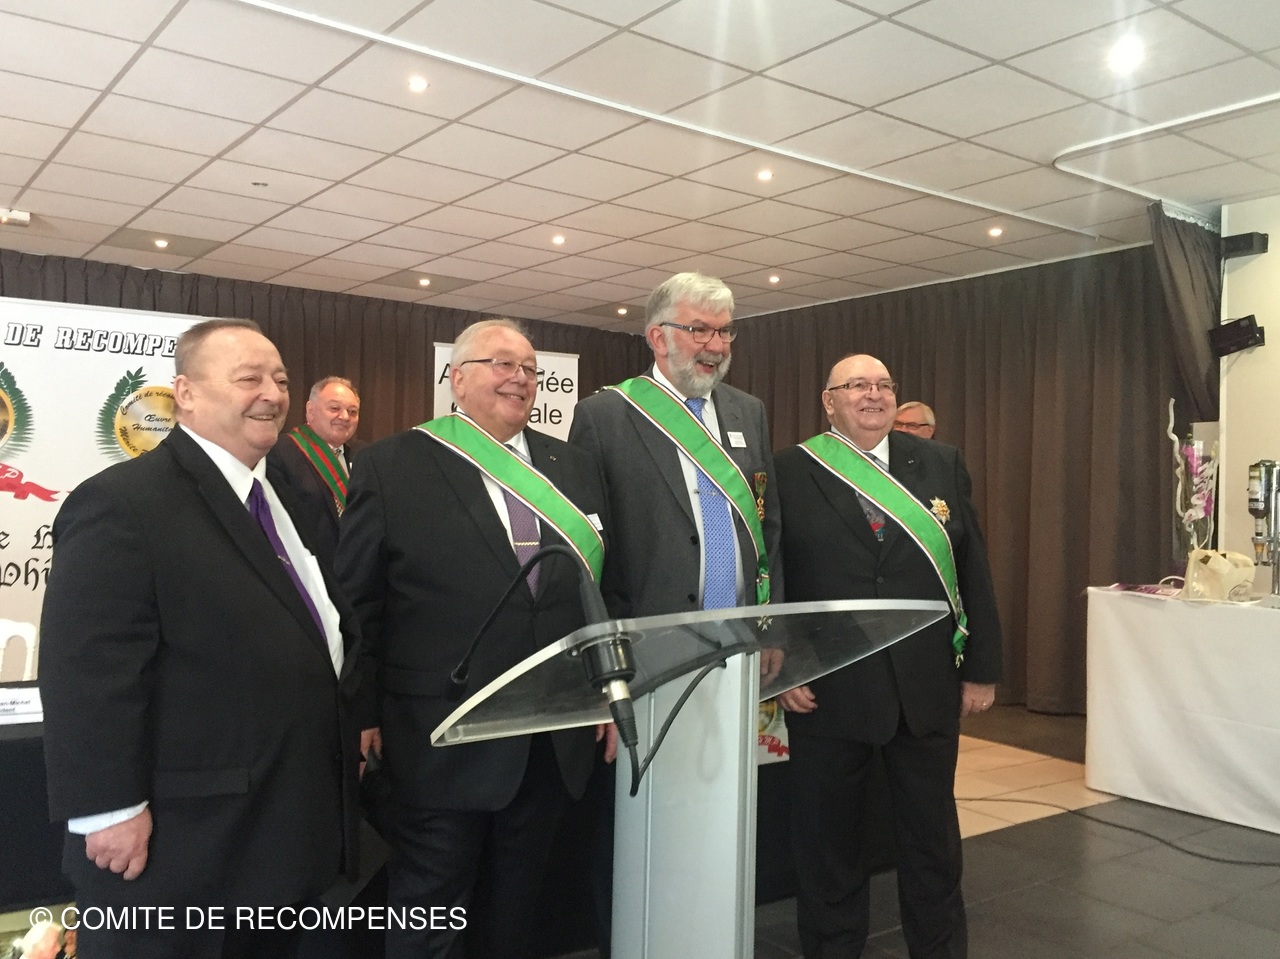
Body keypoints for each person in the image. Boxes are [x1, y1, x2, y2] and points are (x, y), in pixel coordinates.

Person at [40, 319, 363, 959]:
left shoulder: (282, 497)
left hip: (281, 834)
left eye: (280, 379)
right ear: (184, 394)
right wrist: (108, 810)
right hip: (183, 850)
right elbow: (87, 670)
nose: (271, 393)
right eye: (248, 378)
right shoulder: (123, 502)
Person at [337, 318, 610, 959]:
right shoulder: (393, 464)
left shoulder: (573, 467)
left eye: (530, 369)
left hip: (548, 738)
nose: (520, 379)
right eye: (502, 364)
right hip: (437, 734)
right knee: (430, 910)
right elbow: (357, 603)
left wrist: (601, 688)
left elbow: (601, 593)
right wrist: (360, 711)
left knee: (515, 912)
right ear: (457, 379)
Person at [568, 271, 783, 952]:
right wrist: (608, 667)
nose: (715, 346)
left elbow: (767, 525)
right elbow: (589, 550)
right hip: (648, 657)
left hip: (734, 651)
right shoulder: (605, 415)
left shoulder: (747, 412)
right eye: (699, 330)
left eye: (724, 332)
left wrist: (770, 622)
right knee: (644, 813)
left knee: (718, 805)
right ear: (657, 337)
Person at [775, 353, 1002, 959]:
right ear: (829, 402)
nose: (872, 395)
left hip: (925, 685)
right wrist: (786, 666)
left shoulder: (941, 462)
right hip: (828, 687)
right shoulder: (789, 469)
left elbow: (972, 565)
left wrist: (982, 667)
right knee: (828, 844)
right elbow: (774, 574)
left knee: (932, 843)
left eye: (883, 385)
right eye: (857, 385)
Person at [269, 376, 364, 569]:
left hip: (356, 569)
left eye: (352, 411)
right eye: (334, 408)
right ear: (311, 410)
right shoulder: (280, 451)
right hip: (308, 568)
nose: (345, 417)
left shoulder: (365, 456)